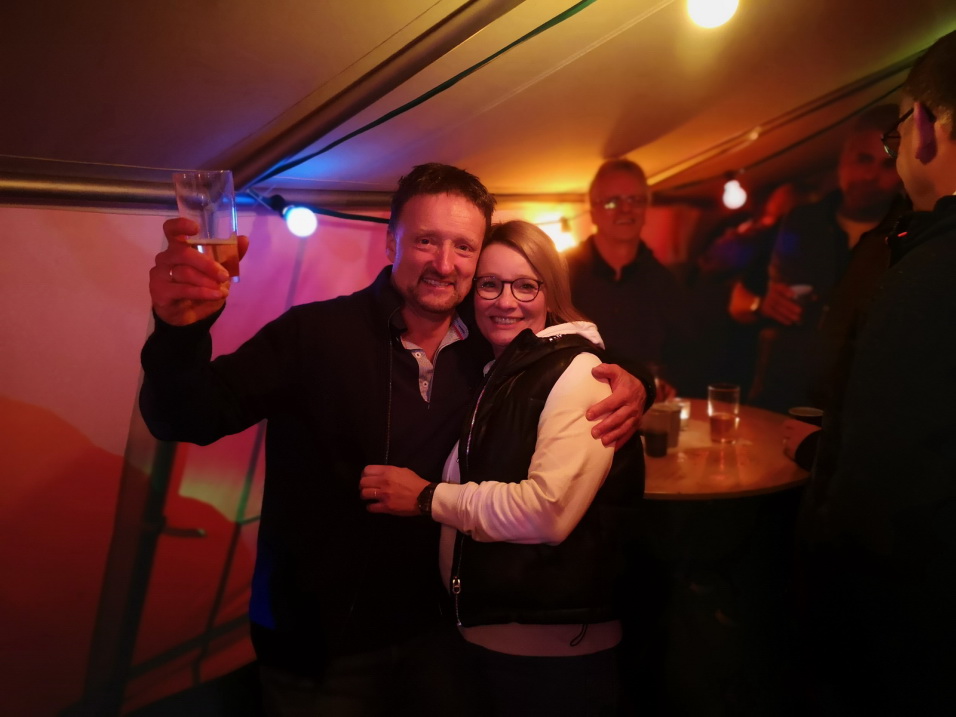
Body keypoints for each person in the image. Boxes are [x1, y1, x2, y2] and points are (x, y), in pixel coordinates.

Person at [139, 163, 651, 716]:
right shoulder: (314, 334)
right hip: (323, 647)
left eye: (463, 247)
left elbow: (567, 351)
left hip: (441, 638)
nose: (444, 263)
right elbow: (183, 417)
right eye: (426, 240)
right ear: (391, 241)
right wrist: (178, 332)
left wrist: (632, 381)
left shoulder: (489, 348)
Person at [358, 220, 643, 716]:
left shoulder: (580, 374)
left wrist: (426, 497)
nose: (505, 301)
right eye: (489, 284)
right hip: (496, 641)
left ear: (550, 292)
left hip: (553, 659)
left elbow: (547, 513)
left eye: (525, 285)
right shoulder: (498, 370)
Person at [797, 31, 956, 714]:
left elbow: (878, 488)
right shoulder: (818, 231)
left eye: (889, 144)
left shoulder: (926, 272)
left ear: (922, 126)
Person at [729, 105, 902, 412]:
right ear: (843, 158)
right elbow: (737, 302)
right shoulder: (801, 221)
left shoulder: (908, 232)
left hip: (854, 415)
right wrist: (762, 304)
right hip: (777, 403)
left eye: (888, 164)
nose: (870, 175)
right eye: (863, 159)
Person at [564, 158, 694, 399]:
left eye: (635, 200)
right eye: (612, 201)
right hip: (575, 407)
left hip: (645, 410)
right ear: (593, 212)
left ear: (646, 209)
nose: (625, 209)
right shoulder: (562, 275)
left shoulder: (666, 282)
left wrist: (667, 382)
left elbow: (684, 356)